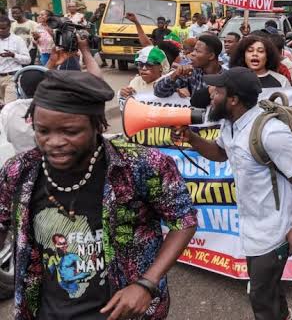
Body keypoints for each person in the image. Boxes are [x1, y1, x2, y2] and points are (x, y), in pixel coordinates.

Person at [0, 70, 197, 319]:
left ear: (98, 124)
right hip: (47, 311)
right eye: (43, 131)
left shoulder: (141, 165)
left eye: (70, 131)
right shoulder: (20, 170)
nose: (54, 142)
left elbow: (184, 222)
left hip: (126, 312)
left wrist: (147, 283)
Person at [173, 67, 292, 320]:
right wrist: (193, 139)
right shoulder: (231, 124)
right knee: (269, 289)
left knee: (261, 298)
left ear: (234, 99)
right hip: (253, 225)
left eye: (217, 91)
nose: (211, 95)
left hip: (275, 230)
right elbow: (221, 153)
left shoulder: (270, 132)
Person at [154, 34, 223, 98]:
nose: (192, 54)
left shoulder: (227, 78)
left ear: (211, 56)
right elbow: (159, 92)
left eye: (197, 51)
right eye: (193, 50)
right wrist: (175, 75)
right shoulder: (191, 73)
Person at [0, 66, 46, 153]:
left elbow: (9, 138)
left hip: (22, 159)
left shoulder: (8, 110)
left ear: (19, 89)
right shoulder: (56, 106)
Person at [0, 15, 31, 104]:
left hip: (12, 77)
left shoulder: (17, 40)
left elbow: (27, 60)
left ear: (9, 27)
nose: (0, 31)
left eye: (3, 28)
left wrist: (13, 55)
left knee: (9, 105)